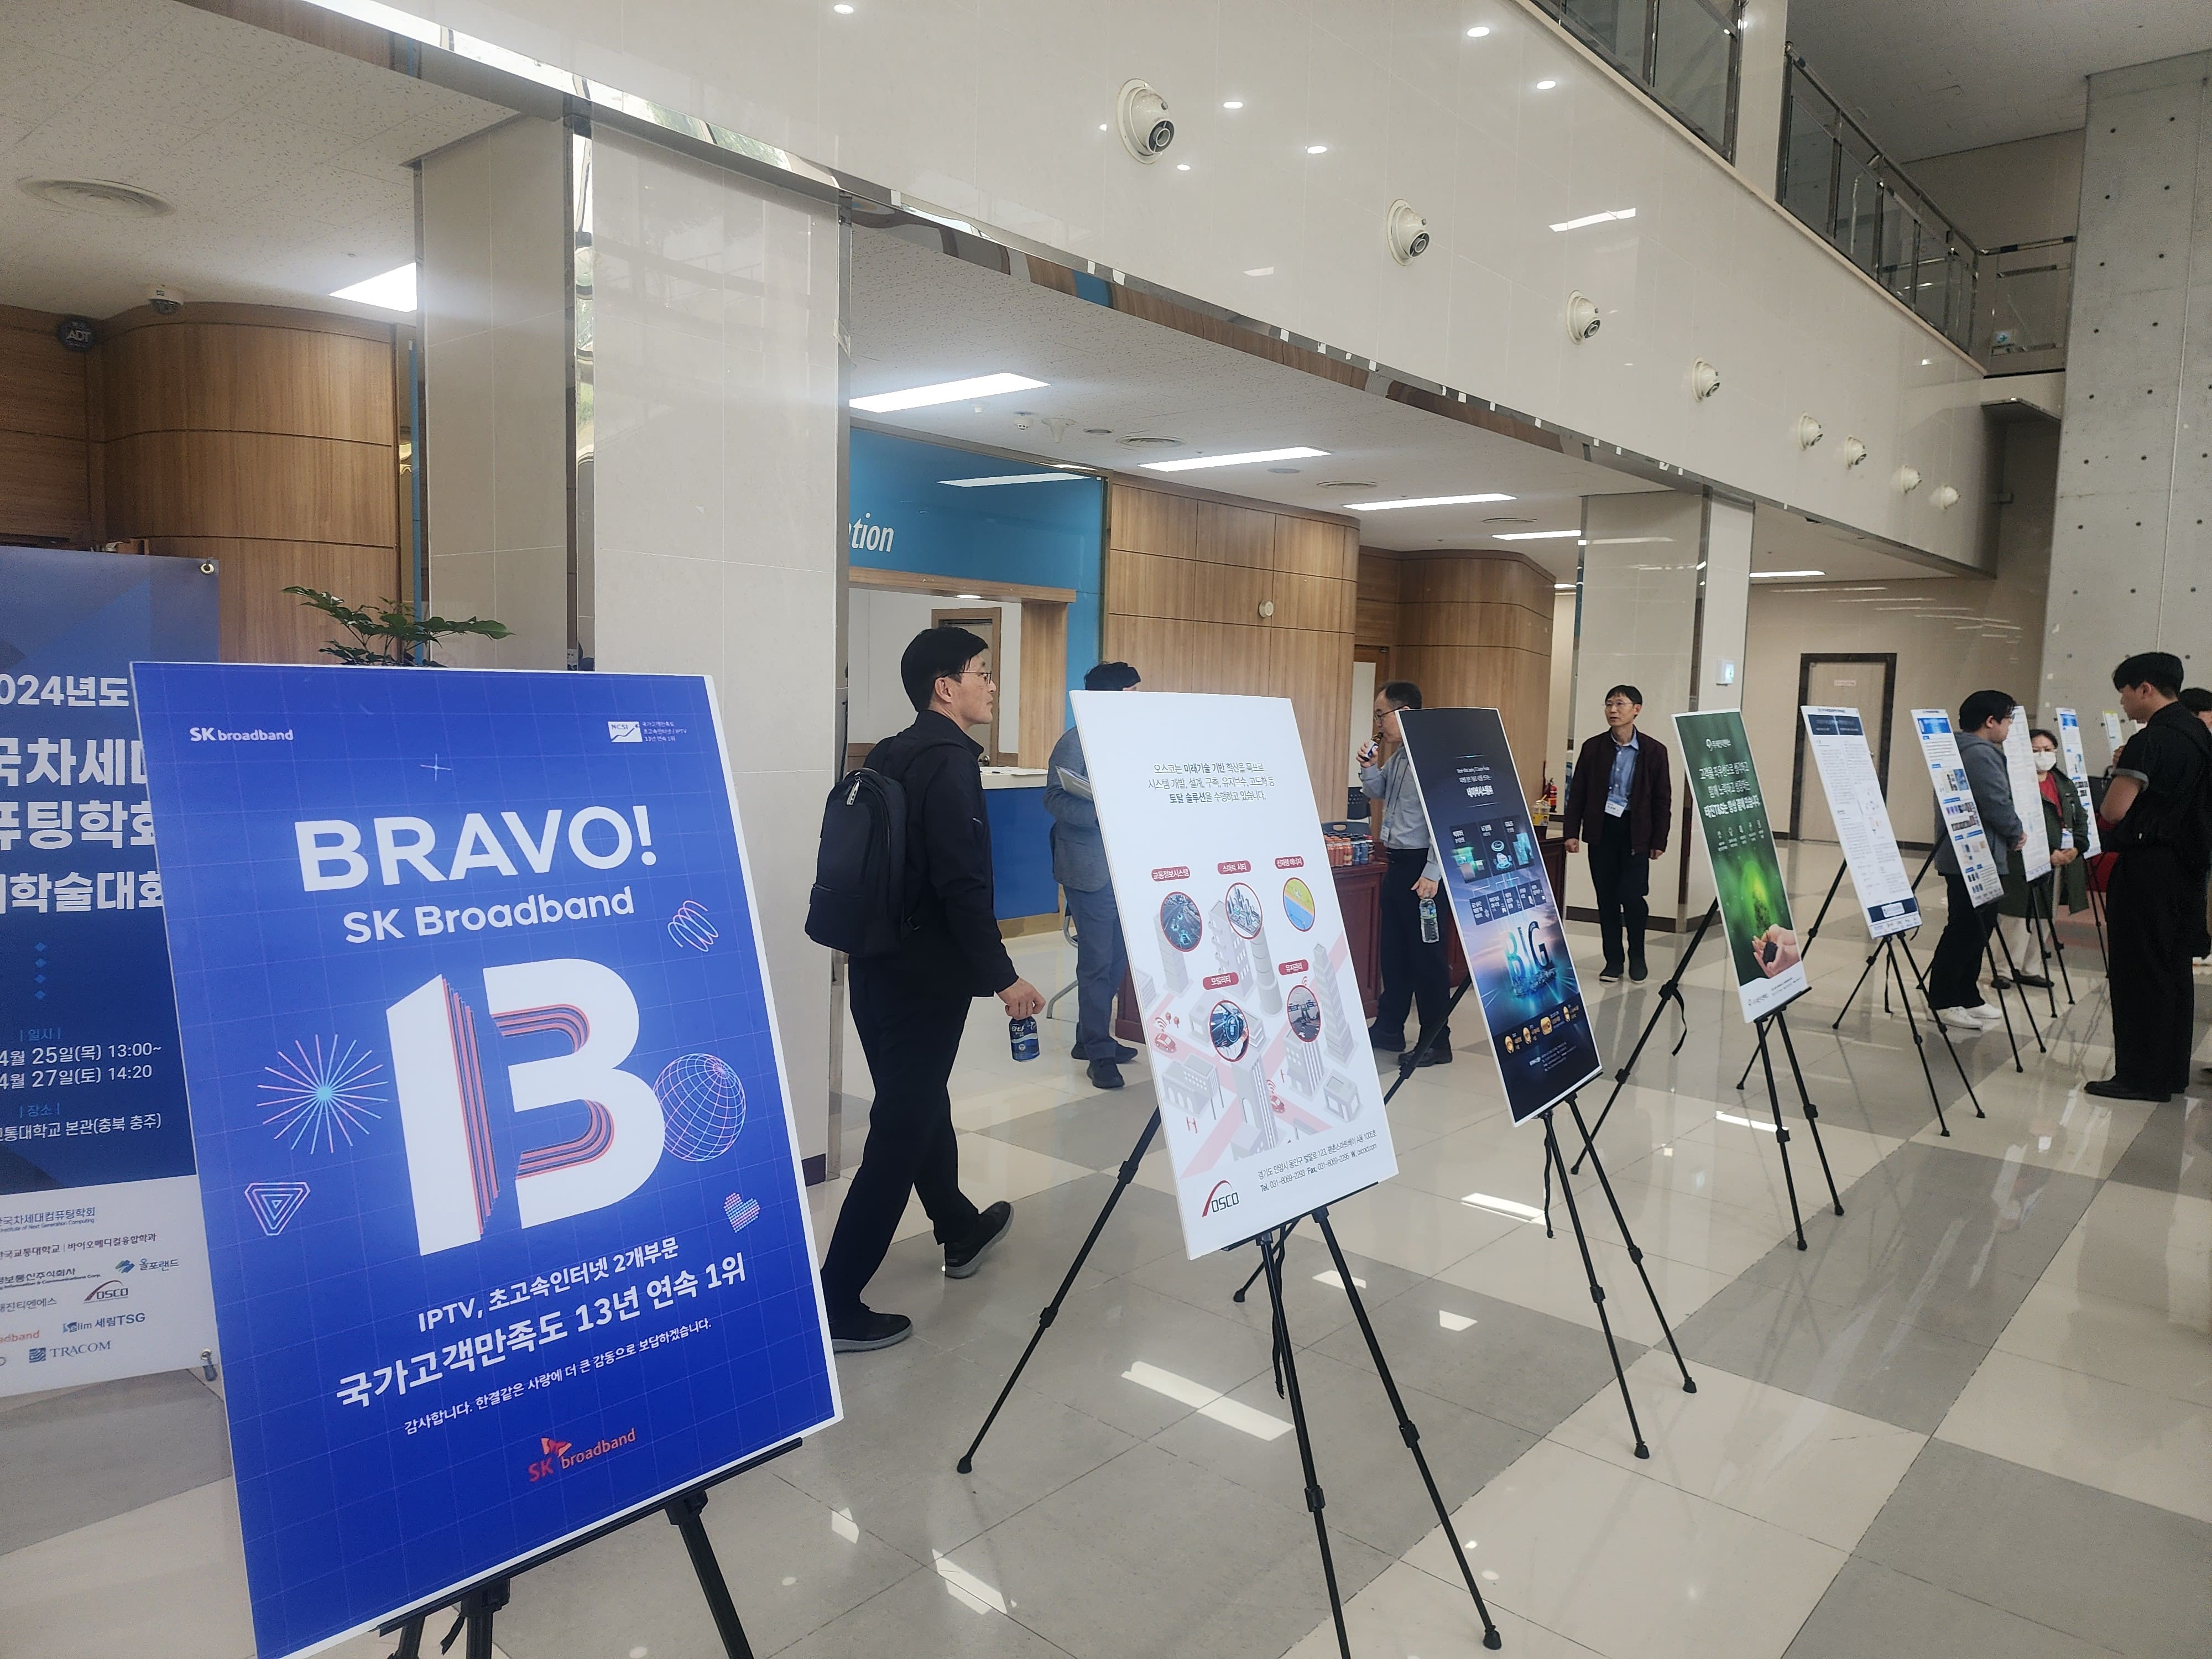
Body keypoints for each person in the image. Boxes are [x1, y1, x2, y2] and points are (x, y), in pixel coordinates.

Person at [819, 627, 1046, 1351]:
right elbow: (961, 885)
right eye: (981, 672)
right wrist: (1004, 978)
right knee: (901, 1128)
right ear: (945, 687)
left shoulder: (891, 752)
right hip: (924, 978)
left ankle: (957, 1226)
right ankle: (835, 1299)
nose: (991, 685)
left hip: (875, 965)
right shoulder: (949, 763)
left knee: (916, 1103)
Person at [2089, 653, 2212, 1102]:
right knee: (2172, 969)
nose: (2123, 702)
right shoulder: (2199, 734)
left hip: (2147, 867)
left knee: (2138, 969)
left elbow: (2114, 810)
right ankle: (2169, 1072)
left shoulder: (2151, 738)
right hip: (2187, 866)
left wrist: (2119, 775)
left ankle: (2140, 1076)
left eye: (2124, 692)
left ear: (2145, 688)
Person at [1045, 661, 1143, 1089]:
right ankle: (1099, 1053)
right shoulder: (1074, 743)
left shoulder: (1134, 742)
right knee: (1098, 961)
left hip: (1128, 868)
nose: (1137, 702)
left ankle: (1090, 1038)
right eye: (1130, 694)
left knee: (1117, 958)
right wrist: (1102, 813)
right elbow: (1053, 799)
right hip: (1089, 868)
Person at [1360, 681, 1451, 1065]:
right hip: (1397, 864)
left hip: (1422, 871)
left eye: (1382, 715)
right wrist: (1369, 768)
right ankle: (1389, 1028)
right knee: (1394, 953)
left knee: (1427, 959)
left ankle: (1436, 1041)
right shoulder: (1399, 757)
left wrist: (1432, 872)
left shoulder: (1433, 759)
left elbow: (1445, 820)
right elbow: (1378, 791)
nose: (1379, 723)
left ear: (1405, 713)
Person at [1928, 690, 2027, 1033]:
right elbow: (1995, 801)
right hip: (1973, 856)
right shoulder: (1980, 753)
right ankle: (1943, 1000)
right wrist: (2016, 831)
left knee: (1978, 926)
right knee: (1966, 929)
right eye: (2008, 719)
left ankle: (1967, 994)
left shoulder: (1962, 748)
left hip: (1972, 854)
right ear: (1990, 721)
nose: (2010, 727)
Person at [1561, 685, 1672, 982]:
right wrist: (1572, 831)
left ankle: (1638, 956)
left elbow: (1662, 799)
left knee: (1633, 897)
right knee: (1607, 898)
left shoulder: (1654, 751)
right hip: (1602, 831)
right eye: (1609, 704)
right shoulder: (1593, 748)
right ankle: (1613, 961)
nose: (1613, 710)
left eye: (1620, 704)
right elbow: (1578, 792)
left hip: (1636, 832)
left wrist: (1659, 839)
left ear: (1637, 709)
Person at [1994, 727, 2089, 988]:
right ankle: (2005, 969)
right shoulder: (2014, 783)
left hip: (2061, 861)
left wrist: (2077, 847)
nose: (2042, 755)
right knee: (2016, 916)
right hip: (2022, 859)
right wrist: (2045, 853)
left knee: (2046, 916)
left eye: (2047, 750)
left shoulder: (2063, 783)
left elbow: (2080, 818)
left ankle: (2031, 967)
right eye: (2036, 750)